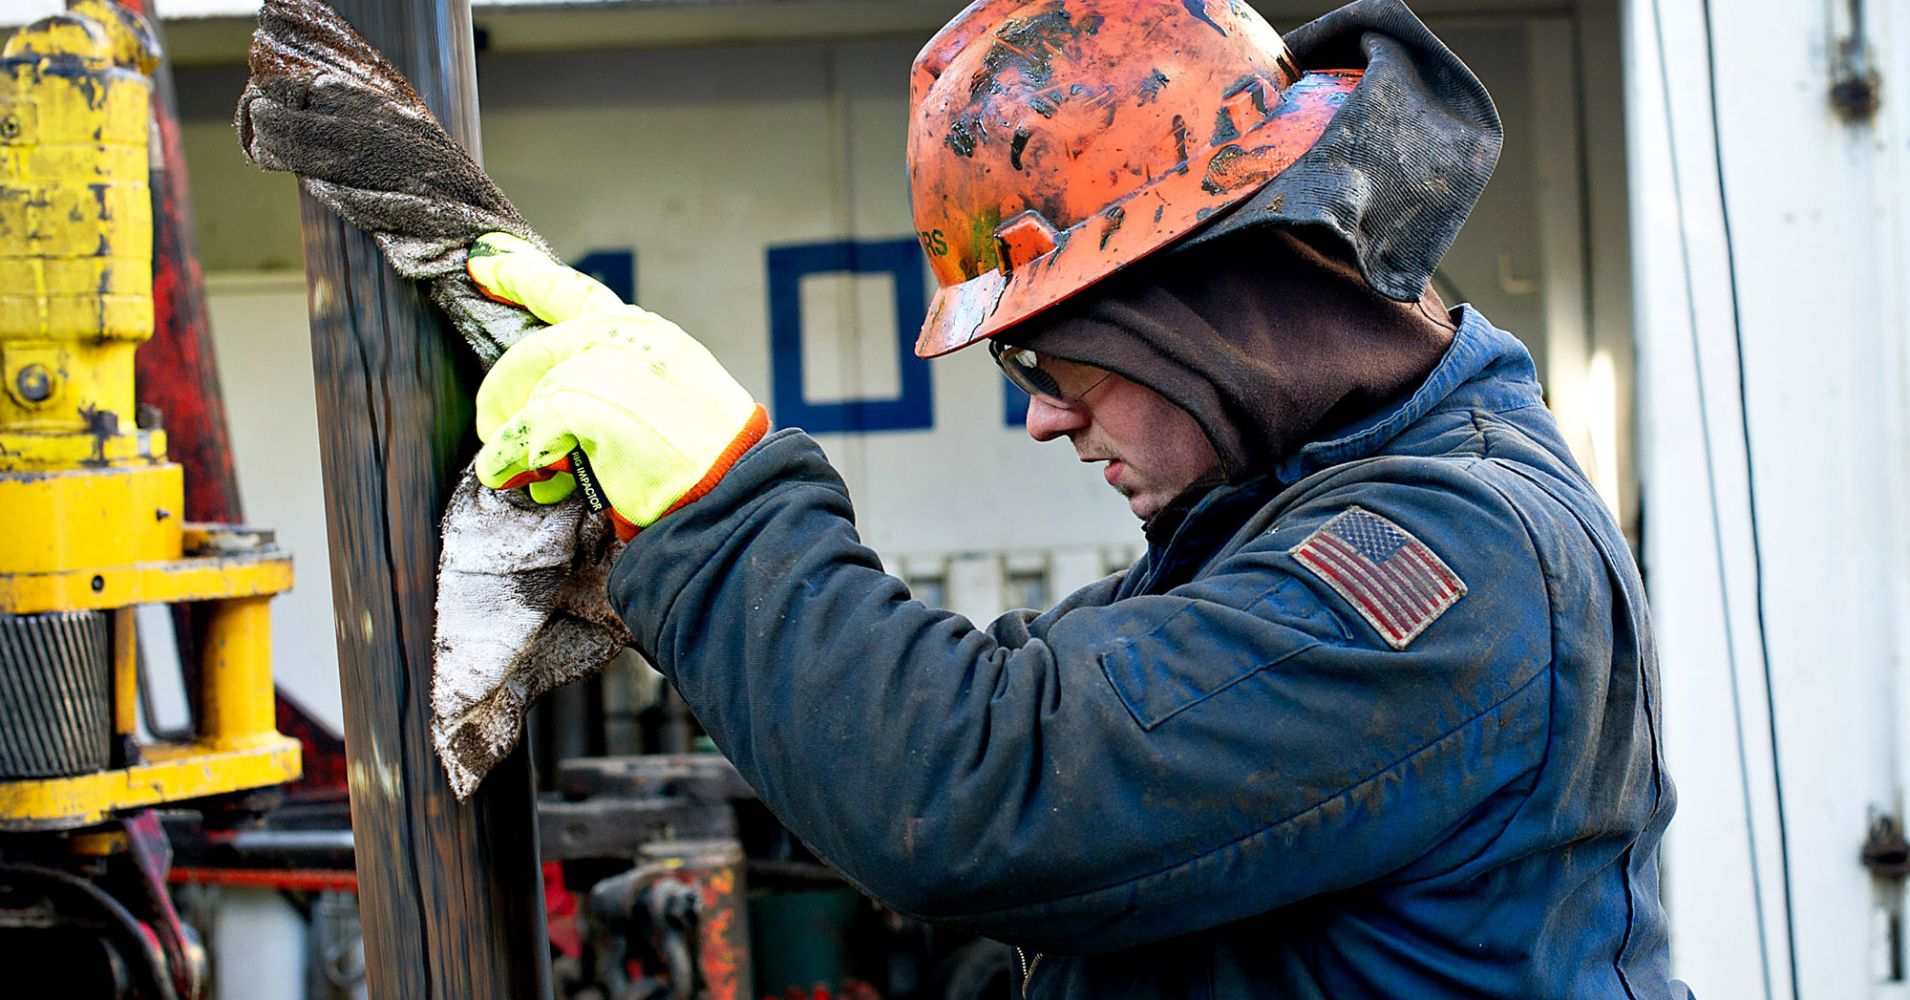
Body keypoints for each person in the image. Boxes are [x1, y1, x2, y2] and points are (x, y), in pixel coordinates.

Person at [465, 0, 1692, 996]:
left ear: (1198, 305)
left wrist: (720, 511)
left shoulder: (1447, 558)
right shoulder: (1279, 516)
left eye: (1050, 357)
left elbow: (983, 787)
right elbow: (987, 697)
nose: (1043, 414)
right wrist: (661, 559)